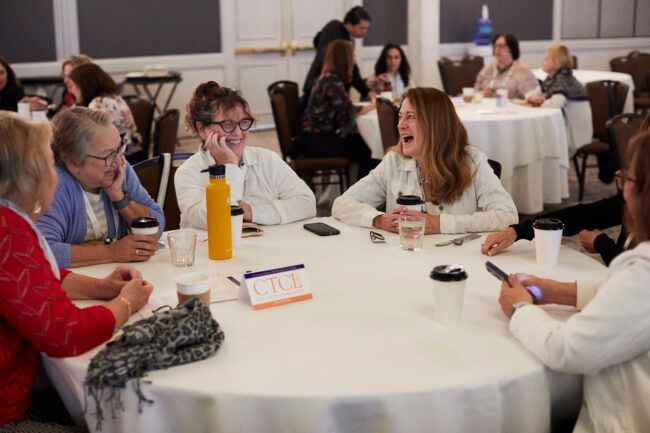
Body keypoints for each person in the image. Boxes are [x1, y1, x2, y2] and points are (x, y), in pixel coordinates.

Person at [0, 111, 153, 429]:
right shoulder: (7, 235)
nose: (55, 177)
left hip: (18, 388)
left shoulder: (8, 221)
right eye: (47, 165)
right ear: (26, 178)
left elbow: (38, 276)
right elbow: (64, 333)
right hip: (7, 412)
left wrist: (103, 287)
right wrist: (125, 304)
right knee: (114, 417)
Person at [498, 131, 650, 432]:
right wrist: (556, 290)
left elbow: (566, 350)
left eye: (627, 179)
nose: (623, 190)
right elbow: (626, 296)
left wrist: (520, 310)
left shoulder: (643, 272)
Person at [332, 87, 518, 234]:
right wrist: (379, 220)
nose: (400, 124)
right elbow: (342, 204)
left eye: (410, 117)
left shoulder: (472, 162)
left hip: (458, 263)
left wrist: (438, 224)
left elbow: (507, 215)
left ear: (435, 124)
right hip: (406, 261)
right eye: (400, 116)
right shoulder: (394, 162)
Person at [482, 114, 650, 264]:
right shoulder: (638, 195)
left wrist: (601, 243)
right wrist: (517, 231)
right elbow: (583, 215)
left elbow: (636, 272)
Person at [175, 82, 316, 229]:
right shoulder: (188, 172)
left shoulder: (267, 159)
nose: (238, 133)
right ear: (202, 129)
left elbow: (307, 203)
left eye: (244, 122)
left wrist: (252, 212)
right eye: (227, 124)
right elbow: (215, 218)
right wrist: (230, 166)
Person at [36, 107, 164, 268]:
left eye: (119, 148)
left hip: (121, 275)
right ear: (73, 162)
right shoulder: (55, 184)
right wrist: (112, 252)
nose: (119, 161)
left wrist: (119, 198)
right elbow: (42, 250)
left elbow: (157, 225)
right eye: (108, 154)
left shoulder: (119, 170)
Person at [300, 40, 375, 180]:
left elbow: (344, 109)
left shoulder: (328, 78)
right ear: (345, 59)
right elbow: (350, 111)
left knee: (360, 143)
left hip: (313, 138)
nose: (354, 61)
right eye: (352, 56)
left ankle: (356, 189)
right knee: (368, 151)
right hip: (316, 141)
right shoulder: (331, 81)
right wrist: (376, 105)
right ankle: (361, 194)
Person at [69, 63, 144, 163]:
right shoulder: (114, 97)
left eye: (73, 86)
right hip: (131, 154)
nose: (71, 91)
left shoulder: (99, 104)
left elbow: (88, 139)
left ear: (84, 86)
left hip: (122, 160)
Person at [527, 44, 592, 155]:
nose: (543, 60)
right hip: (565, 128)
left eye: (547, 59)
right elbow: (533, 94)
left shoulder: (564, 80)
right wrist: (534, 97)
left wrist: (540, 101)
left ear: (557, 63)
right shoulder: (553, 79)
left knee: (532, 139)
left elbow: (555, 103)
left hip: (574, 135)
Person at [302, 6, 374, 102]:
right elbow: (351, 68)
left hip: (321, 87)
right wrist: (366, 91)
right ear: (349, 24)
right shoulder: (336, 30)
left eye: (366, 28)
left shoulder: (338, 31)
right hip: (323, 92)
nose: (364, 32)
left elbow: (317, 39)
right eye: (361, 28)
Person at [474, 33, 540, 100]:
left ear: (511, 48)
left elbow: (533, 96)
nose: (497, 49)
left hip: (514, 109)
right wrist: (482, 94)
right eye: (495, 46)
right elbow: (476, 90)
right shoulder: (488, 69)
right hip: (486, 108)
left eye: (501, 46)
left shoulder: (522, 71)